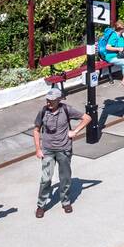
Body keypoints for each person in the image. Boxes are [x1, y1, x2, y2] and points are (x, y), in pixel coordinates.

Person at [33, 88, 91, 217]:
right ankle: (41, 205)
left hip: (64, 150)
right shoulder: (43, 111)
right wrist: (38, 149)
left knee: (65, 178)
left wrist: (75, 131)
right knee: (45, 179)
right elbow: (36, 130)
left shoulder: (66, 109)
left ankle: (66, 202)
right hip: (47, 150)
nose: (48, 103)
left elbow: (87, 118)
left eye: (52, 101)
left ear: (59, 100)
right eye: (48, 100)